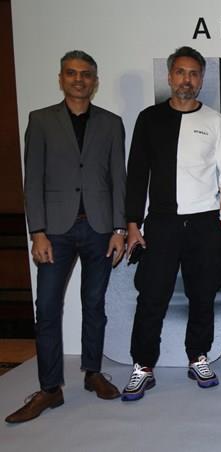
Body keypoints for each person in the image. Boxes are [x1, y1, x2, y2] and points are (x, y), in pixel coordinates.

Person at [6, 50, 126, 423]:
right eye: (71, 73)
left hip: (99, 229)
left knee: (94, 304)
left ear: (95, 81)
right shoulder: (40, 120)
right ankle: (49, 389)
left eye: (86, 74)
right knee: (47, 309)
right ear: (61, 78)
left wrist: (119, 229)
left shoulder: (111, 123)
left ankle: (93, 373)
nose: (79, 79)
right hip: (54, 232)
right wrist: (37, 232)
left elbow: (118, 178)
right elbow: (33, 180)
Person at [122, 46, 221, 401]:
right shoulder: (149, 119)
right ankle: (143, 366)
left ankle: (198, 357)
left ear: (201, 79)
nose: (187, 79)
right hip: (162, 223)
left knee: (203, 294)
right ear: (170, 77)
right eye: (181, 72)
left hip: (205, 224)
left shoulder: (216, 122)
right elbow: (137, 174)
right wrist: (133, 224)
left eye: (194, 73)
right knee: (152, 295)